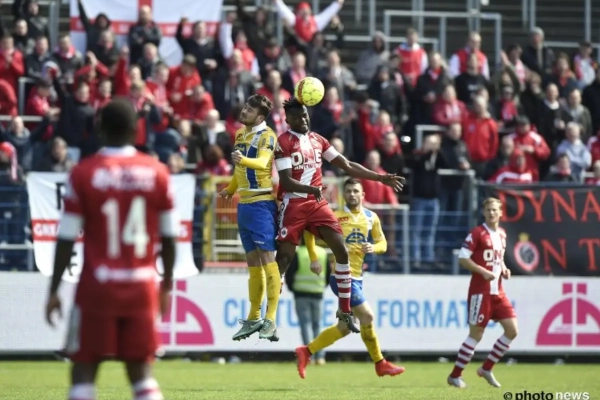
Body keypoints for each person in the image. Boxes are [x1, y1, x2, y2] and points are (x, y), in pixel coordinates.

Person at [44, 98, 178, 400]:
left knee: (83, 370)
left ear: (99, 129)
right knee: (141, 373)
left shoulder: (83, 173)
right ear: (135, 130)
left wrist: (53, 289)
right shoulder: (157, 172)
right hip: (141, 286)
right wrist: (166, 285)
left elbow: (66, 238)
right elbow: (170, 239)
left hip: (97, 286)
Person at [274, 97, 404, 333]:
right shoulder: (283, 142)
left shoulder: (318, 140)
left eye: (305, 115)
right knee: (283, 259)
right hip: (294, 202)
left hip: (316, 203)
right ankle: (268, 314)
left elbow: (346, 164)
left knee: (341, 250)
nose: (304, 119)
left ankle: (344, 312)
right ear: (288, 120)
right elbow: (285, 181)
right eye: (298, 117)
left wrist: (379, 178)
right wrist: (311, 189)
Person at [295, 178, 405, 379]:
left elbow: (383, 243)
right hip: (341, 276)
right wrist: (313, 258)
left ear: (363, 195)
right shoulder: (334, 216)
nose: (352, 194)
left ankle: (307, 351)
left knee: (344, 328)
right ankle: (380, 363)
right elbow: (309, 232)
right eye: (348, 191)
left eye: (355, 191)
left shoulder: (371, 217)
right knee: (367, 317)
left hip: (357, 278)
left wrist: (374, 247)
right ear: (343, 195)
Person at [219, 94, 281, 341]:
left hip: (262, 204)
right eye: (245, 107)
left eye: (250, 110)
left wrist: (242, 159)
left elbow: (263, 162)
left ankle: (271, 319)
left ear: (260, 117)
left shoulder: (268, 136)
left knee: (267, 260)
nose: (244, 111)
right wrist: (230, 189)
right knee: (253, 263)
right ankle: (254, 317)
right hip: (244, 205)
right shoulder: (239, 134)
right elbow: (239, 169)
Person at [448, 197, 518, 389]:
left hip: (498, 292)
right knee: (476, 335)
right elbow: (463, 258)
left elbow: (498, 259)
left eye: (494, 210)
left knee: (512, 330)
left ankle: (486, 368)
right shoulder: (477, 233)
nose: (491, 213)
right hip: (480, 292)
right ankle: (455, 375)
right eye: (488, 210)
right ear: (483, 212)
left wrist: (504, 269)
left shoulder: (502, 234)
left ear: (501, 212)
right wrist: (482, 271)